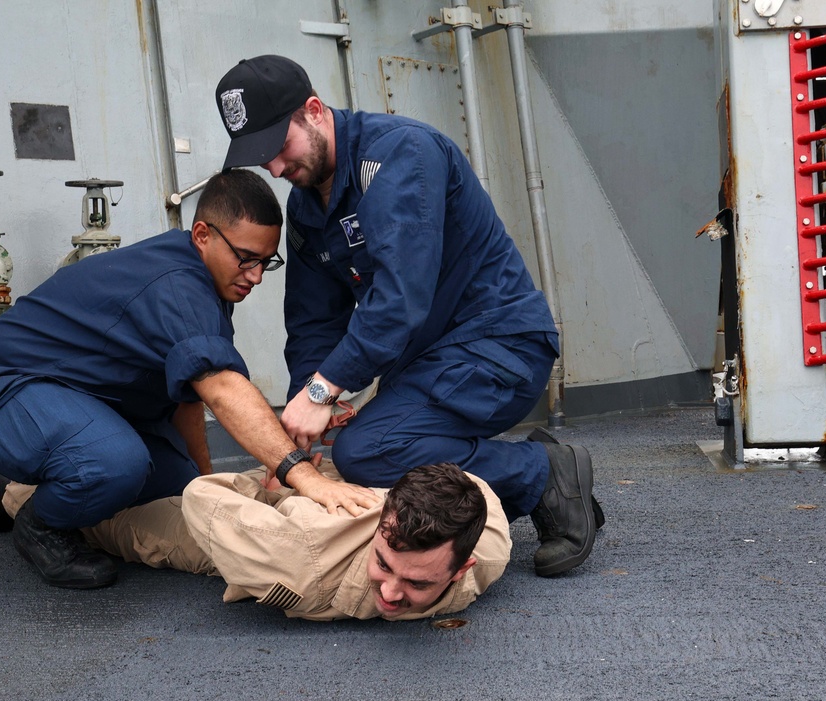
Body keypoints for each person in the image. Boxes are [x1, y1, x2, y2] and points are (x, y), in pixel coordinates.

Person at [214, 55, 603, 577]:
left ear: (313, 110)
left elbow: (401, 299)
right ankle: (511, 483)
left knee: (369, 452)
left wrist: (323, 393)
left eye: (279, 148)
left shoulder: (400, 154)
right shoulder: (308, 210)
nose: (277, 169)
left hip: (498, 344)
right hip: (428, 364)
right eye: (263, 161)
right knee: (365, 450)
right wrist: (298, 430)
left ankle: (542, 473)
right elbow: (312, 323)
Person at [0, 169, 379, 590]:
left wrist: (207, 487)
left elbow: (189, 397)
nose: (256, 276)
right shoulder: (178, 284)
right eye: (246, 259)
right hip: (6, 391)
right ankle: (38, 526)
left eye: (268, 262)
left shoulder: (210, 280)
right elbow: (222, 389)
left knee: (177, 487)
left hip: (87, 401)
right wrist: (302, 475)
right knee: (114, 466)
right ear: (203, 235)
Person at [0, 460, 511, 621]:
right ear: (383, 527)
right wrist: (288, 483)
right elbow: (204, 495)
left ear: (461, 569)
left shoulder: (487, 547)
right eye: (385, 563)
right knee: (122, 527)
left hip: (300, 514)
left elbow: (476, 488)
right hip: (261, 532)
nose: (393, 592)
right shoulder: (299, 569)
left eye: (418, 583)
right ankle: (2, 486)